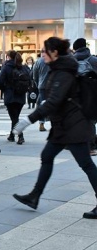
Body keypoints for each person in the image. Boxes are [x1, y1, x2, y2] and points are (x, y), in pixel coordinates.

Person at [12, 37, 97, 219]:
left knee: (86, 164)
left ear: (54, 52)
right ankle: (34, 196)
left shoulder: (64, 71)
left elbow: (54, 101)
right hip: (64, 126)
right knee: (47, 156)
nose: (42, 54)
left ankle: (35, 195)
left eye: (44, 51)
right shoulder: (58, 69)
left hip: (74, 127)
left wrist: (28, 119)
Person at [0, 50, 30, 145]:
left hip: (10, 95)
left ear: (8, 57)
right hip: (21, 95)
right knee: (15, 117)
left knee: (14, 118)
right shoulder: (24, 67)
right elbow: (29, 78)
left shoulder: (6, 67)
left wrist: (4, 89)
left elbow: (0, 81)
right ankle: (11, 135)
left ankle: (20, 136)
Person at [72, 38, 97, 155]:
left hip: (79, 95)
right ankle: (91, 146)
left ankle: (82, 144)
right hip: (94, 93)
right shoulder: (94, 60)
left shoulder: (72, 60)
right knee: (91, 120)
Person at [32, 52, 50, 131]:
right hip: (53, 85)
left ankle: (41, 123)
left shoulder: (39, 61)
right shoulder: (55, 59)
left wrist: (37, 83)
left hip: (42, 85)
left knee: (41, 104)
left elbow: (34, 75)